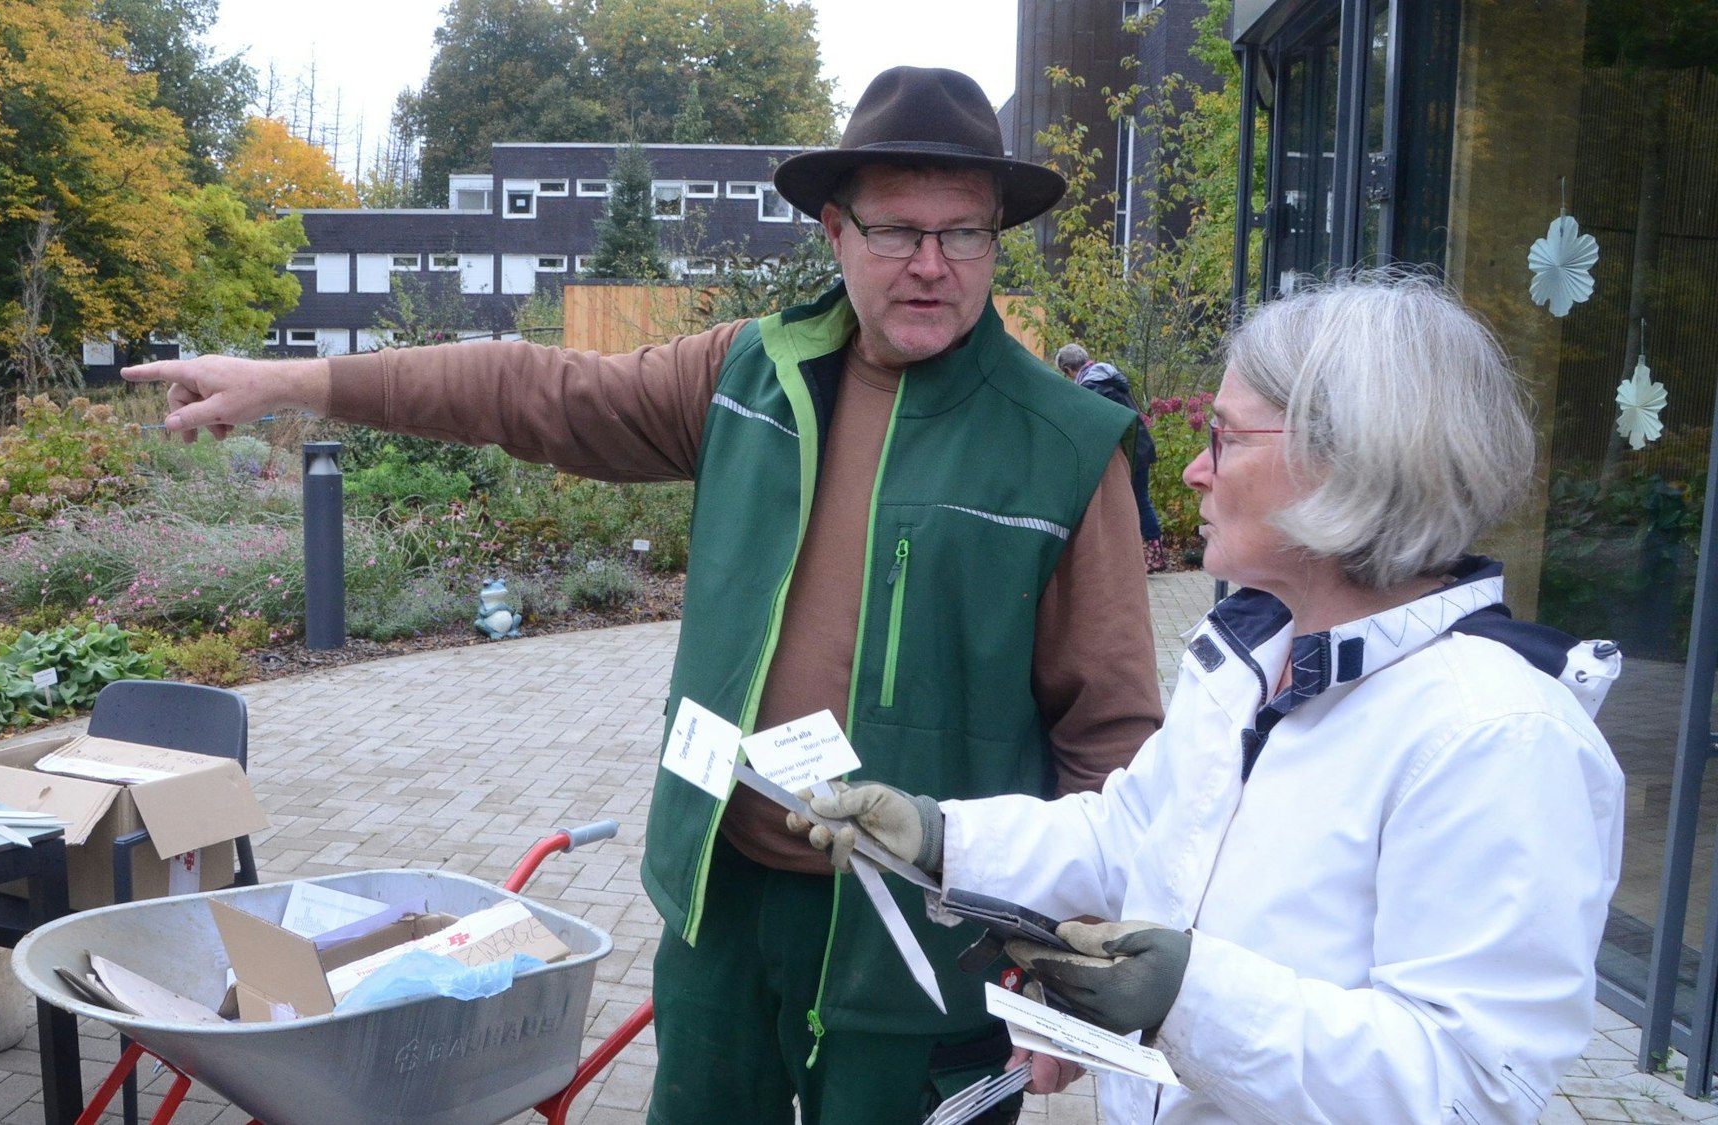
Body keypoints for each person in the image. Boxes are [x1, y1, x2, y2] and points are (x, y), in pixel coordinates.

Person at [124, 65, 1163, 1125]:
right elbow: (533, 390)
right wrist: (297, 383)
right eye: (897, 230)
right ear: (834, 231)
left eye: (964, 234)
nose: (931, 265)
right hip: (723, 905)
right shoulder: (747, 375)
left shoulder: (1063, 447)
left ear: (996, 239)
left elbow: (1112, 734)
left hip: (927, 949)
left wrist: (1065, 961)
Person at [798, 274, 1626, 1123]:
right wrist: (944, 836)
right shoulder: (1248, 659)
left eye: (1223, 438)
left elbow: (1473, 1088)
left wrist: (1185, 998)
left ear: (1346, 462)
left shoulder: (1497, 736)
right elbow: (1132, 834)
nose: (1195, 470)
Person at [1056, 343, 1164, 572]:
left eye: (1065, 374)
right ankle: (1151, 554)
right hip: (1139, 446)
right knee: (1139, 500)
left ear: (1068, 369)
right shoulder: (1108, 377)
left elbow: (1092, 427)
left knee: (1131, 502)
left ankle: (1148, 556)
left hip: (1127, 452)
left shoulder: (1092, 387)